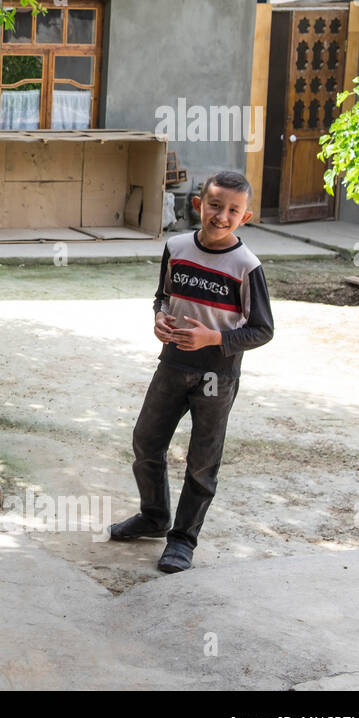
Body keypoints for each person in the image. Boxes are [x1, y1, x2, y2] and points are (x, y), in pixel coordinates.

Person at [109, 171, 274, 572]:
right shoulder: (177, 247)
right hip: (172, 365)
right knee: (146, 442)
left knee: (202, 462)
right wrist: (159, 319)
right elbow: (163, 296)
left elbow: (262, 330)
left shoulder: (246, 266)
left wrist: (213, 339)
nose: (222, 215)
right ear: (199, 205)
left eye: (233, 210)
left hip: (218, 376)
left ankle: (182, 540)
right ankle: (154, 516)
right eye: (215, 205)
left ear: (245, 217)